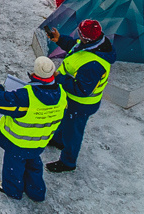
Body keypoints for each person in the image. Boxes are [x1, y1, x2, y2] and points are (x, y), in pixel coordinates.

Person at [0, 57, 68, 201]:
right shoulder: (61, 93)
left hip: (18, 142)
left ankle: (12, 190)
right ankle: (36, 192)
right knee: (34, 165)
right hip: (40, 140)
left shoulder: (26, 96)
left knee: (14, 167)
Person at [44, 19, 115, 172]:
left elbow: (81, 90)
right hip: (71, 101)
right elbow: (75, 47)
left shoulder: (93, 66)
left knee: (73, 133)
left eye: (79, 34)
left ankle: (68, 162)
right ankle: (58, 140)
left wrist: (58, 77)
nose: (78, 36)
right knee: (65, 119)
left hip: (80, 105)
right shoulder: (95, 43)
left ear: (86, 38)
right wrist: (59, 39)